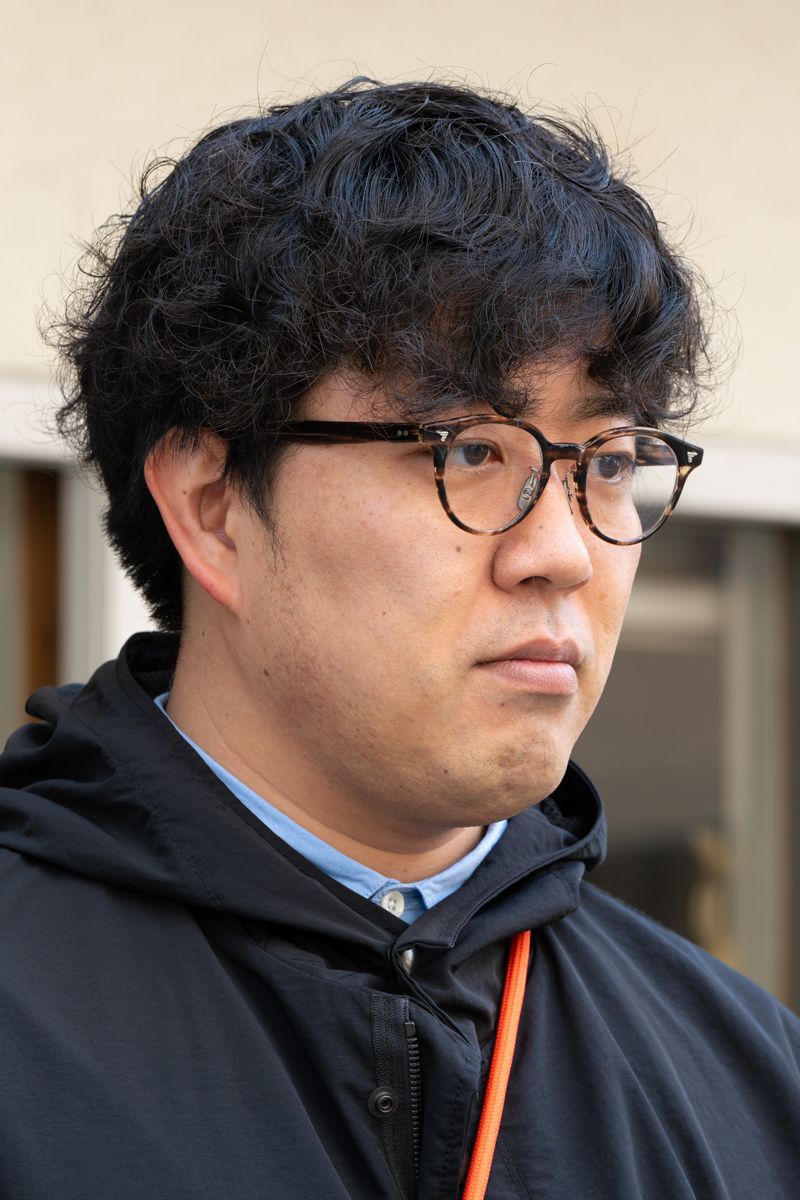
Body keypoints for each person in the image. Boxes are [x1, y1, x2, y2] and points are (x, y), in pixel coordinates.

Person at [0, 78, 797, 1200]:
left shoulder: (751, 1083)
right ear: (214, 505)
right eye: (468, 450)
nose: (562, 553)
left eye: (610, 462)